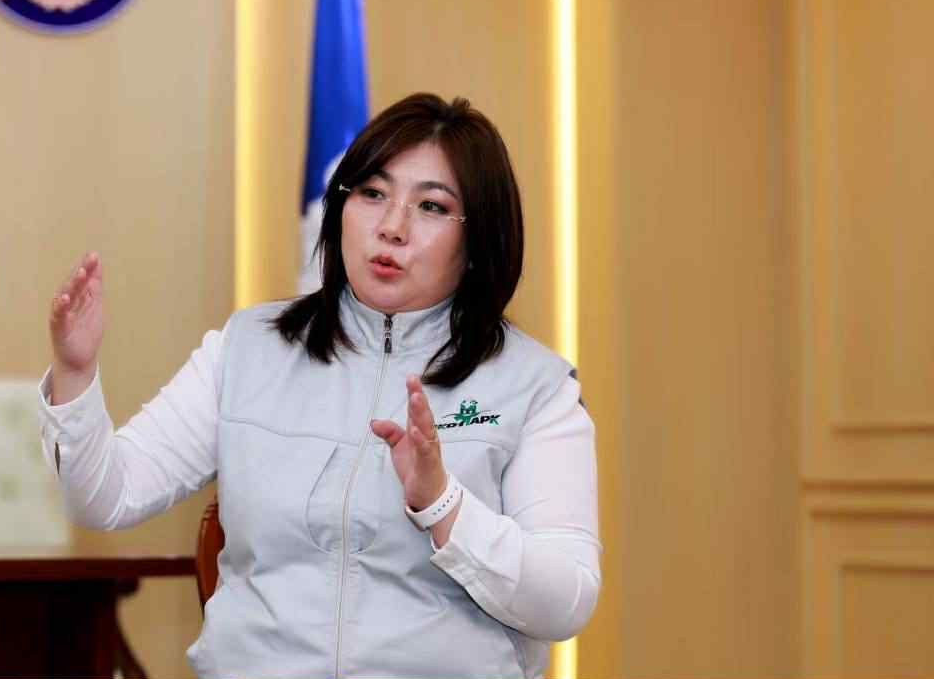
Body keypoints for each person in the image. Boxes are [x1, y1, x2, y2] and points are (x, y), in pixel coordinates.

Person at [37, 93, 601, 678]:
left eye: (432, 206)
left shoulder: (535, 387)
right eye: (373, 194)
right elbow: (104, 498)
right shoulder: (248, 348)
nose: (392, 228)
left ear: (479, 241)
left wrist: (442, 504)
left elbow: (565, 602)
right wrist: (75, 374)